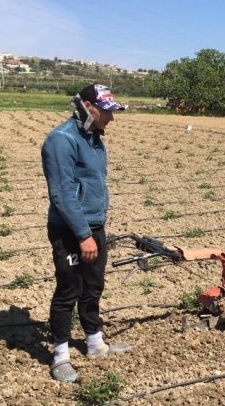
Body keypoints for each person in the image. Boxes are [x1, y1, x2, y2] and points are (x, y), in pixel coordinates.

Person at [41, 83, 130, 382]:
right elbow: (62, 193)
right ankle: (61, 356)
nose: (111, 118)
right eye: (107, 112)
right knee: (68, 291)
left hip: (94, 225)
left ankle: (94, 342)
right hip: (69, 230)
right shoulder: (60, 140)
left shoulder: (94, 138)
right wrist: (82, 235)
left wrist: (93, 229)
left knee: (93, 287)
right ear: (89, 106)